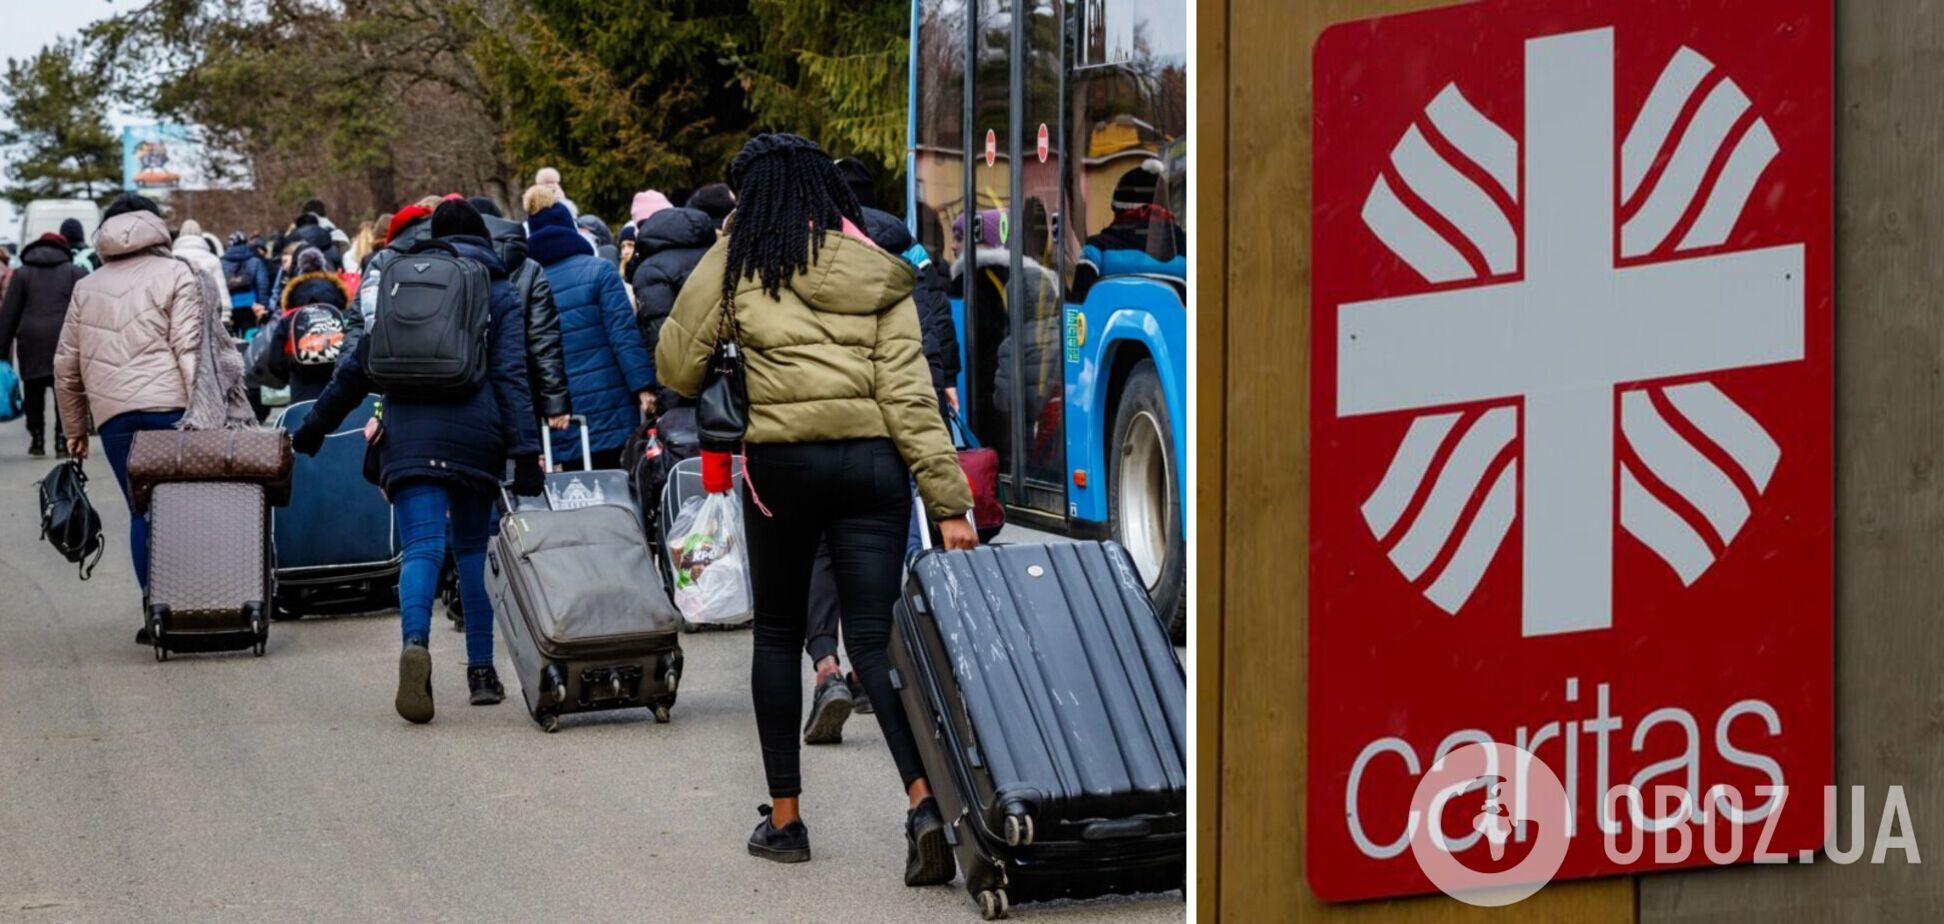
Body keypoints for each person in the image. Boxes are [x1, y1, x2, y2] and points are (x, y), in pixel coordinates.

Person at [656, 134, 976, 879]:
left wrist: (727, 249)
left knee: (775, 634)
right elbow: (909, 395)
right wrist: (949, 499)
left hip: (784, 467)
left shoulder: (739, 267)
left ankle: (788, 821)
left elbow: (676, 365)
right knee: (875, 640)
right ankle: (924, 803)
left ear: (750, 201)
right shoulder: (877, 270)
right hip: (874, 467)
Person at [292, 198, 542, 723]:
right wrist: (526, 452)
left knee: (423, 549)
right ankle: (480, 672)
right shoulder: (497, 288)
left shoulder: (402, 284)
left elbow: (359, 368)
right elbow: (512, 376)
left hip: (407, 434)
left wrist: (313, 427)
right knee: (473, 551)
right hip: (477, 436)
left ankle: (415, 644)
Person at [55, 194, 248, 633]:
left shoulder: (87, 285)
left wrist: (74, 430)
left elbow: (65, 366)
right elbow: (188, 348)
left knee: (141, 511)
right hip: (173, 410)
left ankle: (154, 613)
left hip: (114, 418)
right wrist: (206, 414)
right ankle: (196, 604)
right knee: (187, 508)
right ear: (155, 226)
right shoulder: (177, 273)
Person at [524, 203, 654, 469]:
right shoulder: (600, 271)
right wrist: (643, 386)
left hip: (563, 410)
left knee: (577, 492)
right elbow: (623, 334)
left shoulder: (528, 281)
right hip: (612, 403)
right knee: (618, 488)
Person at [471, 194, 573, 431]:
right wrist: (555, 401)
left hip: (466, 393)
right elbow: (544, 340)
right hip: (520, 393)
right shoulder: (528, 268)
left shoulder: (452, 262)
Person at [0, 233, 87, 455]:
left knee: (33, 391)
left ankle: (36, 438)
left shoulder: (22, 275)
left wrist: (2, 350)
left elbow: (9, 313)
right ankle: (61, 438)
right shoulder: (75, 273)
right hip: (64, 339)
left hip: (31, 340)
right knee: (64, 390)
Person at [252, 246, 351, 403]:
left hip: (302, 387)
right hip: (339, 385)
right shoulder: (343, 314)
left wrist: (290, 374)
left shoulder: (291, 316)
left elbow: (275, 360)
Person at [171, 220, 231, 311]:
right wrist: (226, 311)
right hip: (207, 310)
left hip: (179, 309)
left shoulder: (171, 258)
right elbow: (220, 288)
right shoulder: (212, 259)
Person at [221, 231, 275, 333]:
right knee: (249, 336)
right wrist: (263, 305)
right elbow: (262, 284)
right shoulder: (255, 261)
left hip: (230, 306)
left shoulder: (221, 263)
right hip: (251, 305)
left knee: (232, 338)